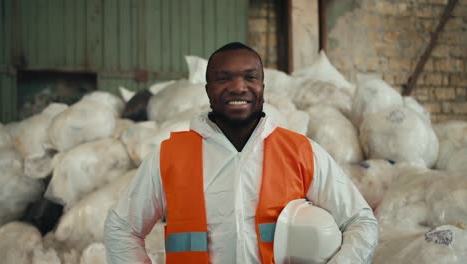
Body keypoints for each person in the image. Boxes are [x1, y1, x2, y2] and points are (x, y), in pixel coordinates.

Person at [104, 42, 379, 264]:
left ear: (262, 87)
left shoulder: (299, 151)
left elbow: (360, 221)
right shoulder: (170, 156)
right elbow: (121, 229)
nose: (238, 87)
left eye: (250, 77)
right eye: (224, 78)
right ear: (208, 90)